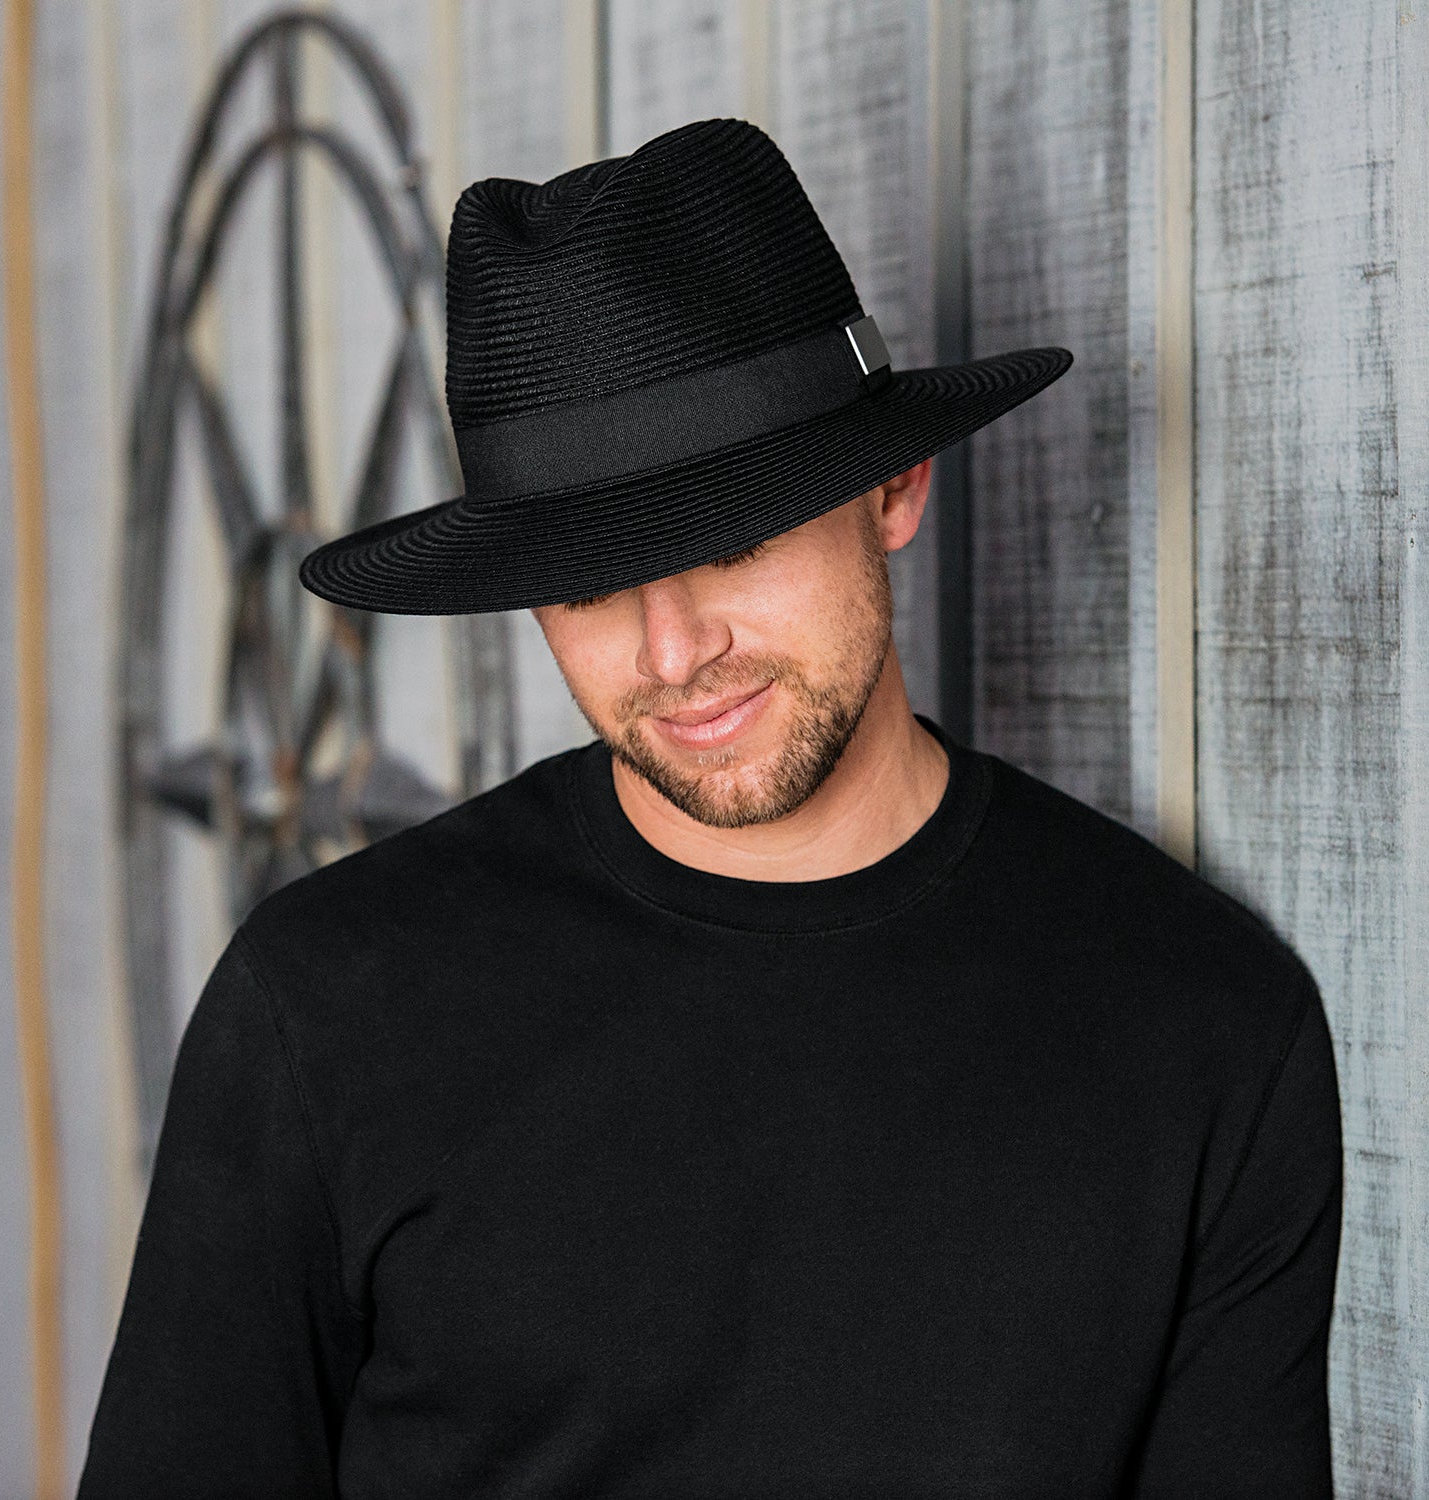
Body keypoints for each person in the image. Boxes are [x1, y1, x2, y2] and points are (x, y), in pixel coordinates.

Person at [78, 118, 1341, 1498]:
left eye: (732, 540)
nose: (673, 652)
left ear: (893, 484)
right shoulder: (329, 1006)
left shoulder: (1199, 1022)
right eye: (586, 581)